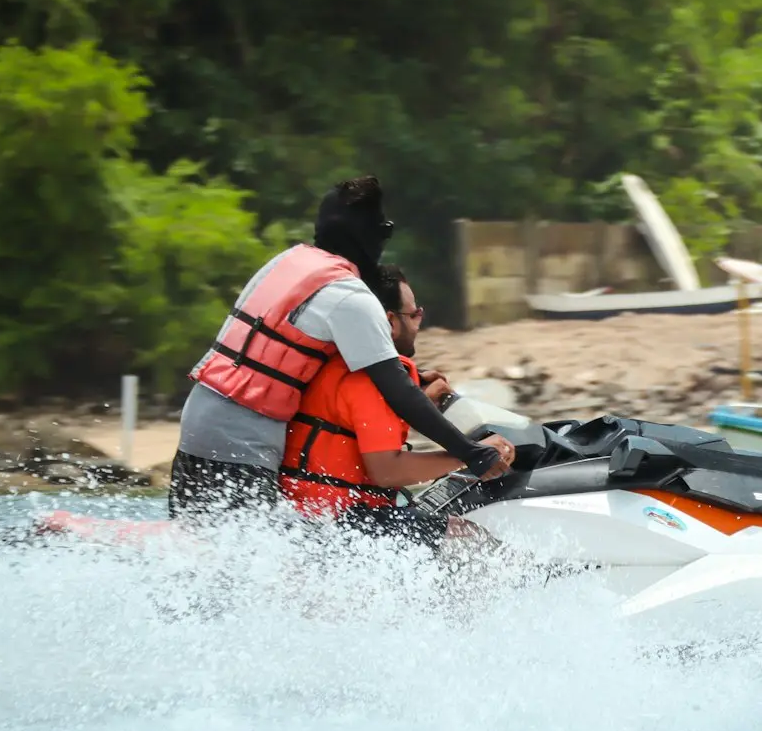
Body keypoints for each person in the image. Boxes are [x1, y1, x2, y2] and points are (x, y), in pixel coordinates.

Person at [168, 175, 511, 517]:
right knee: (239, 557)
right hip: (241, 438)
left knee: (200, 541)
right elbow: (396, 391)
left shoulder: (286, 263)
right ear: (372, 235)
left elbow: (295, 350)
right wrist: (472, 454)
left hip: (200, 415)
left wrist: (416, 377)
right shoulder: (349, 294)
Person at [279, 265, 505, 549]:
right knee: (470, 538)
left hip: (311, 511)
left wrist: (421, 395)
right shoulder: (371, 380)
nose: (418, 323)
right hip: (338, 519)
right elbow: (387, 471)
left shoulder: (338, 364)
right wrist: (474, 456)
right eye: (414, 314)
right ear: (389, 322)